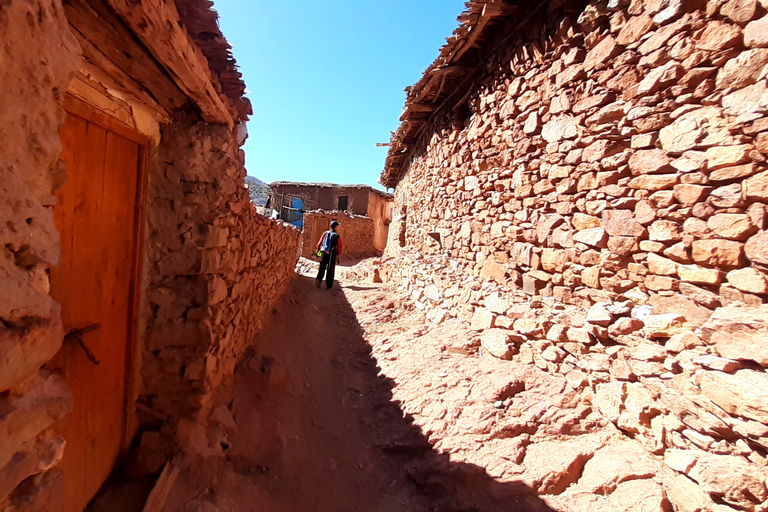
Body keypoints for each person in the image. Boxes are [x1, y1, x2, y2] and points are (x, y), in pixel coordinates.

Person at [315, 221, 343, 289]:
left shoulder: (325, 233)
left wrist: (318, 249)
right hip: (332, 253)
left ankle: (319, 279)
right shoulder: (337, 236)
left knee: (322, 266)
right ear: (336, 227)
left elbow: (319, 242)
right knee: (330, 268)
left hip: (324, 252)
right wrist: (339, 256)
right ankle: (329, 284)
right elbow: (339, 247)